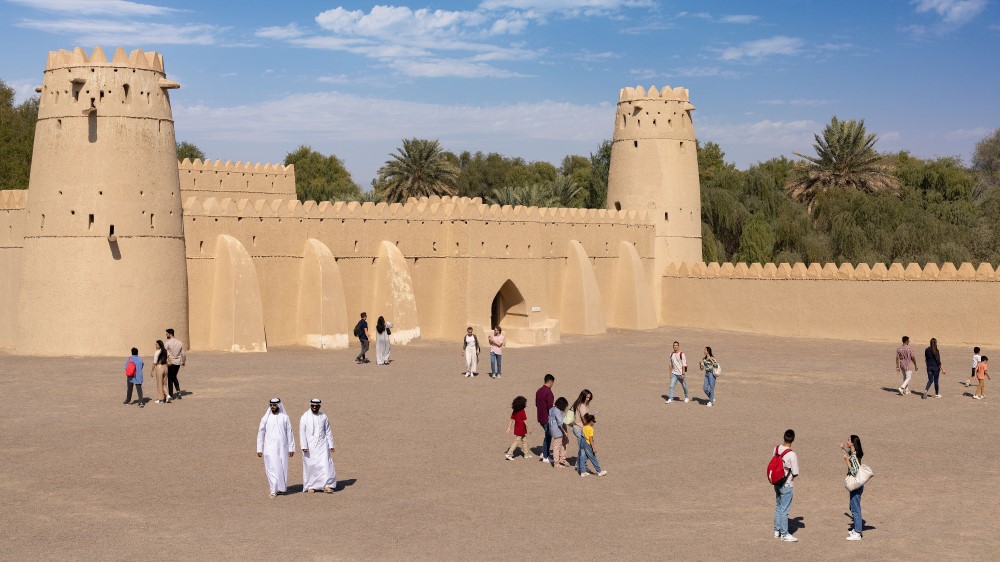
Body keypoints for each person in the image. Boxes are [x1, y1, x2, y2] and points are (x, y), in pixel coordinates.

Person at [256, 398, 295, 498]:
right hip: (269, 448)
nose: (272, 407)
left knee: (282, 467)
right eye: (271, 405)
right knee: (271, 468)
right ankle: (273, 490)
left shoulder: (285, 418)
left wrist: (291, 448)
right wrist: (259, 448)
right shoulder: (265, 418)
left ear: (279, 405)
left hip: (283, 447)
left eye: (274, 405)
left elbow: (289, 433)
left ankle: (281, 488)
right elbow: (261, 433)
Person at [299, 399, 336, 494]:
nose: (314, 407)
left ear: (319, 406)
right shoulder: (304, 417)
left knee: (325, 465)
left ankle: (326, 485)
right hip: (309, 446)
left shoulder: (323, 416)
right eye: (313, 406)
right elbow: (302, 432)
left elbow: (328, 431)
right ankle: (311, 486)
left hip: (322, 445)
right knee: (311, 466)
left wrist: (331, 444)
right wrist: (304, 445)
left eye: (316, 406)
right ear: (310, 405)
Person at [772, 429, 800, 542]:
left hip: (776, 482)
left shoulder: (776, 449)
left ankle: (776, 530)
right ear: (793, 439)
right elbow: (795, 472)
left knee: (778, 507)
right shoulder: (792, 454)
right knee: (784, 510)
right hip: (787, 484)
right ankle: (784, 534)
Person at [840, 435, 865, 541]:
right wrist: (844, 449)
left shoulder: (854, 457)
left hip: (855, 485)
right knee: (853, 507)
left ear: (853, 443)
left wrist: (847, 461)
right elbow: (851, 455)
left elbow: (854, 471)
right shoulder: (856, 454)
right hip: (858, 485)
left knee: (855, 509)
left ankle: (858, 533)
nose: (847, 441)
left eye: (849, 440)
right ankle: (856, 529)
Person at [570, 389, 593, 474]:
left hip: (577, 427)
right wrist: (588, 424)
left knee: (582, 448)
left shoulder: (578, 403)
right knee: (583, 449)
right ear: (583, 396)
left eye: (589, 397)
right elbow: (583, 418)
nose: (588, 399)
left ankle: (579, 464)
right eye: (587, 397)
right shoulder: (582, 406)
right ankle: (581, 467)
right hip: (580, 428)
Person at [504, 396, 532, 460]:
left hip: (517, 427)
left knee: (524, 440)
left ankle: (526, 454)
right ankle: (509, 454)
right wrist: (529, 428)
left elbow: (512, 419)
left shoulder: (515, 410)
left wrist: (509, 427)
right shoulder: (522, 411)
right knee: (517, 441)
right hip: (521, 428)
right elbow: (524, 420)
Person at [535, 374, 555, 463]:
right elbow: (550, 407)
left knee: (547, 435)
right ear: (550, 382)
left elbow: (536, 404)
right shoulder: (549, 393)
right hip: (547, 418)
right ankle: (545, 456)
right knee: (548, 436)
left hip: (540, 416)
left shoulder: (539, 391)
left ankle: (544, 452)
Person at [548, 397, 570, 468]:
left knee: (565, 442)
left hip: (553, 429)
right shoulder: (557, 411)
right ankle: (557, 463)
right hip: (558, 431)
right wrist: (565, 432)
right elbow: (560, 423)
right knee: (557, 446)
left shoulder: (552, 409)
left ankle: (562, 459)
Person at [164, 328, 186, 400]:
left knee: (170, 378)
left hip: (170, 362)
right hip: (177, 362)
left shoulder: (167, 342)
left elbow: (164, 352)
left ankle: (170, 394)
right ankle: (178, 391)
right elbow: (183, 353)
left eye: (167, 334)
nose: (166, 335)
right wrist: (183, 361)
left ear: (170, 334)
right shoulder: (179, 342)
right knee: (174, 376)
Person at [152, 339, 169, 404]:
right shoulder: (165, 351)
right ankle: (166, 396)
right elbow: (168, 359)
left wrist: (152, 370)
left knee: (159, 384)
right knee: (164, 383)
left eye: (156, 344)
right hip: (165, 367)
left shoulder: (157, 352)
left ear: (159, 345)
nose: (155, 345)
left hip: (159, 367)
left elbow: (154, 362)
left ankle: (161, 399)